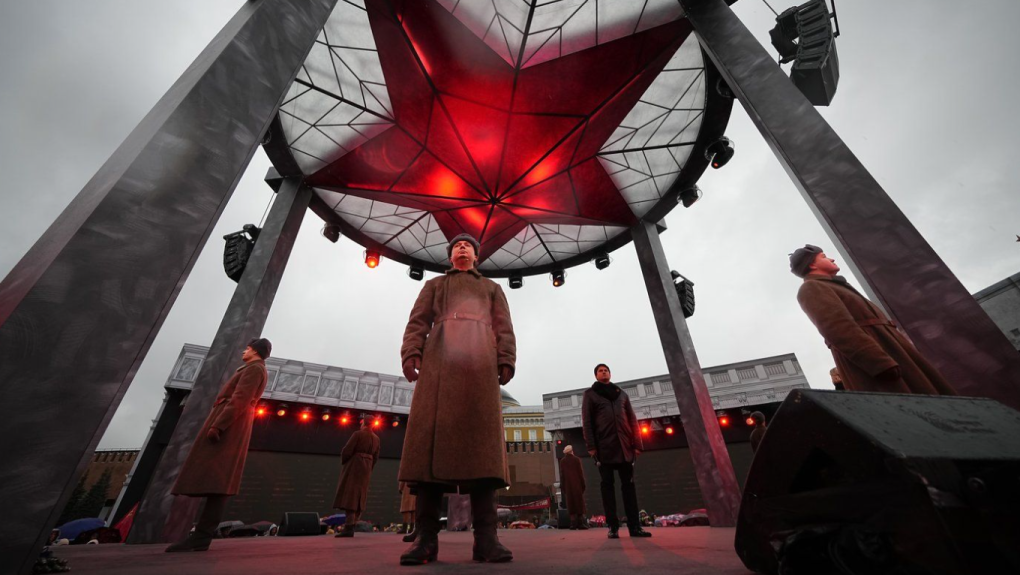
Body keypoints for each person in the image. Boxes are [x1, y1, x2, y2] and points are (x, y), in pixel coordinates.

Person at [398, 233, 517, 565]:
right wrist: (411, 352)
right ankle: (425, 539)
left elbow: (504, 326)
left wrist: (506, 356)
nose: (462, 248)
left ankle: (486, 539)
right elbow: (417, 322)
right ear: (450, 256)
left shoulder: (492, 288)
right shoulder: (434, 285)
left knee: (483, 452)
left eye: (468, 246)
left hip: (479, 362)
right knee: (427, 453)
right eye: (456, 246)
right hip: (439, 361)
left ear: (476, 257)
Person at [790, 245, 956, 395]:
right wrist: (879, 363)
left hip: (891, 349)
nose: (831, 258)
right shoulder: (812, 287)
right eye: (824, 257)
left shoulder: (833, 286)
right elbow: (838, 329)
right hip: (881, 357)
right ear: (812, 264)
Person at [165, 338, 272, 552]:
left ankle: (202, 536)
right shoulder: (252, 369)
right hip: (232, 421)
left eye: (248, 347)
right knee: (217, 483)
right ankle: (201, 537)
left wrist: (218, 425)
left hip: (231, 423)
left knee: (218, 482)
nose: (244, 350)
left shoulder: (253, 370)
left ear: (255, 351)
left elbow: (240, 398)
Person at [581, 364, 651, 539]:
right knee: (608, 487)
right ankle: (613, 526)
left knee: (629, 486)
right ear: (596, 375)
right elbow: (587, 421)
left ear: (610, 374)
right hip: (604, 447)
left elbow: (632, 420)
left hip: (625, 446)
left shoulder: (622, 394)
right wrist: (591, 446)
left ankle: (635, 527)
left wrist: (637, 444)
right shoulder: (590, 395)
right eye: (600, 370)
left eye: (606, 370)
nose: (604, 372)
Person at [333, 416, 381, 538]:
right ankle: (353, 524)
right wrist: (369, 467)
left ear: (363, 423)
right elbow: (376, 457)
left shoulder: (358, 434)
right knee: (360, 495)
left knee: (350, 495)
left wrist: (345, 462)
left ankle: (348, 527)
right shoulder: (376, 438)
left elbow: (347, 450)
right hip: (367, 467)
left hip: (355, 465)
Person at [558, 445, 587, 530]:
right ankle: (580, 523)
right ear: (572, 451)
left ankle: (573, 523)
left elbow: (562, 475)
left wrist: (563, 486)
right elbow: (580, 473)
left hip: (568, 485)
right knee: (579, 503)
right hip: (577, 485)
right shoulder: (576, 460)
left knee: (571, 503)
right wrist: (583, 484)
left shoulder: (562, 461)